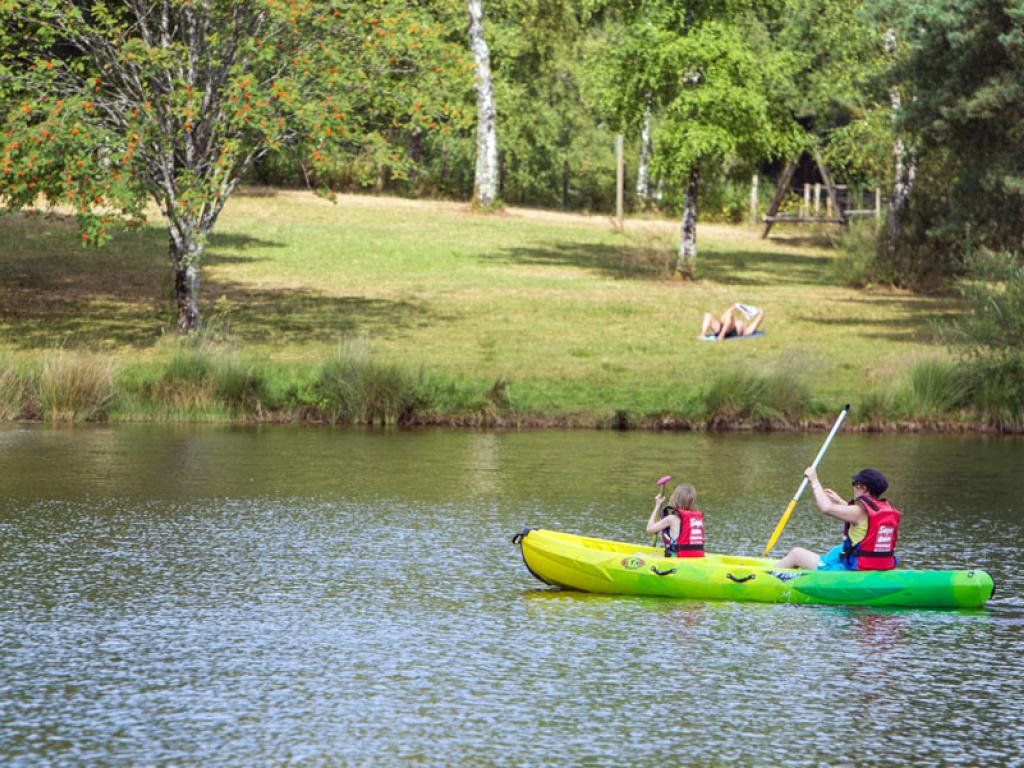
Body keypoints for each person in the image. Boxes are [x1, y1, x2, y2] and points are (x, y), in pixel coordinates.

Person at [775, 467, 900, 571]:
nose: (853, 487)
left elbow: (826, 508)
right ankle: (817, 565)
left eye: (855, 484)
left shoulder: (858, 512)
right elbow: (862, 521)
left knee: (796, 553)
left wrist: (814, 481)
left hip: (857, 568)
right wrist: (839, 500)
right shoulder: (883, 511)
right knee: (838, 550)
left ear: (863, 487)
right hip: (880, 564)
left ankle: (767, 576)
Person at [645, 483, 705, 558]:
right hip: (696, 558)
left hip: (677, 560)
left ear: (675, 499)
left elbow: (649, 529)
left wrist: (657, 505)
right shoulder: (697, 519)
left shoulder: (672, 519)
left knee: (638, 555)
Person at [698, 302, 765, 340]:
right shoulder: (745, 326)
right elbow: (724, 316)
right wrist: (735, 306)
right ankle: (703, 335)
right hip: (723, 328)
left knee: (729, 315)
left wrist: (758, 311)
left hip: (731, 332)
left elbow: (759, 318)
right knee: (708, 315)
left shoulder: (749, 330)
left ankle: (722, 335)